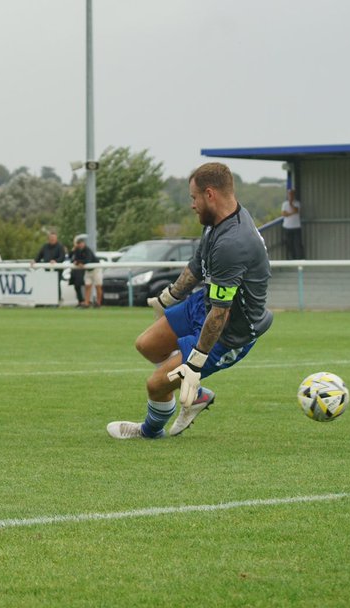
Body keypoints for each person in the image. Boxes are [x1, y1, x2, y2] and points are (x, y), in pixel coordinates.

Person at [107, 162, 273, 441]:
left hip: (230, 331)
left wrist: (194, 365)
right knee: (146, 345)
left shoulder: (234, 242)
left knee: (156, 385)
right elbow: (197, 265)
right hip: (205, 305)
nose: (192, 205)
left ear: (210, 195)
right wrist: (169, 297)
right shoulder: (217, 221)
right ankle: (195, 396)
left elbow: (221, 314)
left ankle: (150, 431)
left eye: (193, 197)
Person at [69, 234, 102, 308]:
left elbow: (88, 260)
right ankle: (86, 303)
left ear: (83, 243)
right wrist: (73, 251)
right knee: (87, 286)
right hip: (88, 270)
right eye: (78, 244)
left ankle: (98, 303)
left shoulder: (87, 250)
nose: (80, 245)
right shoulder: (77, 250)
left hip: (96, 269)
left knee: (98, 286)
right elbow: (72, 258)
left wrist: (80, 262)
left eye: (81, 243)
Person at [281, 188, 304, 259]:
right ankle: (292, 259)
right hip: (287, 227)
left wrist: (291, 205)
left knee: (297, 244)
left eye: (292, 194)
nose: (290, 196)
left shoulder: (297, 203)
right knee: (289, 245)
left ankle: (299, 258)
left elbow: (296, 210)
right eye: (289, 194)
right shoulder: (284, 204)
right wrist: (292, 213)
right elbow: (284, 214)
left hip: (296, 227)